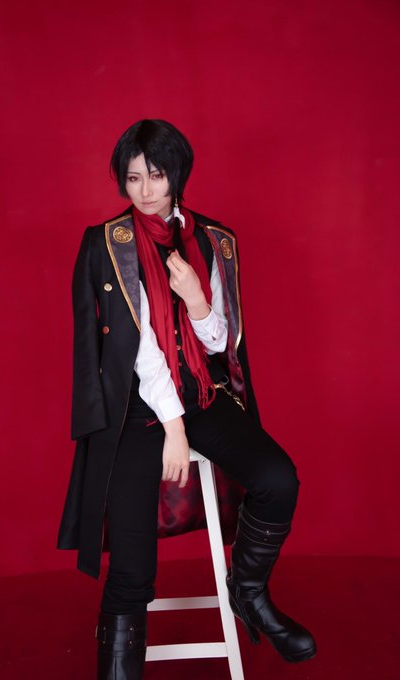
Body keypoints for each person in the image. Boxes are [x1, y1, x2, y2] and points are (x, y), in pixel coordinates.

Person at [57, 119, 316, 679]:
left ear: (177, 174)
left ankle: (248, 591)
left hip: (201, 391)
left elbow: (222, 344)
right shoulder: (108, 244)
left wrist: (197, 300)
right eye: (133, 178)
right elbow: (135, 349)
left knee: (278, 480)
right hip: (135, 410)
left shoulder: (214, 241)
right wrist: (173, 427)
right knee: (131, 570)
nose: (145, 190)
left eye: (156, 175)